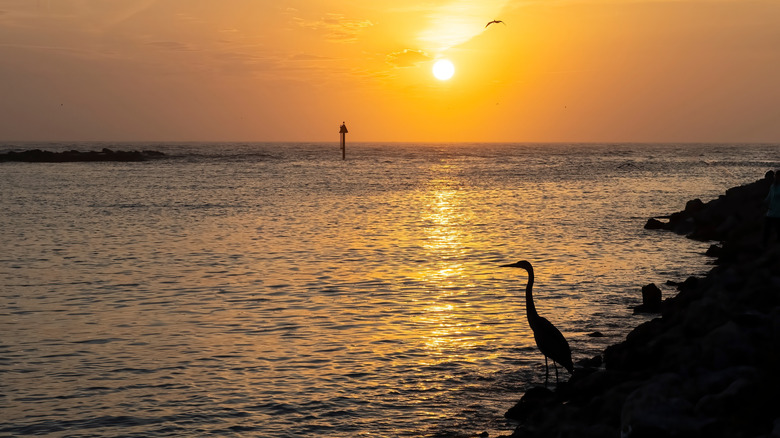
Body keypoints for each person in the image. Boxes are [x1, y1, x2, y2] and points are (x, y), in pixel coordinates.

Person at [763, 170, 780, 246]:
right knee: (767, 228)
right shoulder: (773, 186)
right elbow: (769, 197)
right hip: (771, 212)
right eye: (776, 176)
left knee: (777, 228)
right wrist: (764, 202)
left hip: (778, 212)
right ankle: (764, 244)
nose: (777, 178)